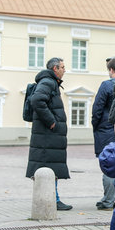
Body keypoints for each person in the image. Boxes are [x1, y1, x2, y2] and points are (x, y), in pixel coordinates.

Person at [25, 57, 72, 211]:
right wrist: (51, 121)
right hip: (47, 135)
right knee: (49, 167)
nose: (64, 70)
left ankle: (53, 197)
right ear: (55, 69)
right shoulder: (48, 82)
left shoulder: (49, 82)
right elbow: (37, 100)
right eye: (63, 67)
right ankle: (53, 199)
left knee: (48, 166)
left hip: (47, 135)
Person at [92, 56, 115, 210]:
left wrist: (96, 126)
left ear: (111, 70)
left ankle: (108, 201)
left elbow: (97, 109)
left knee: (109, 164)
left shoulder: (106, 85)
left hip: (107, 130)